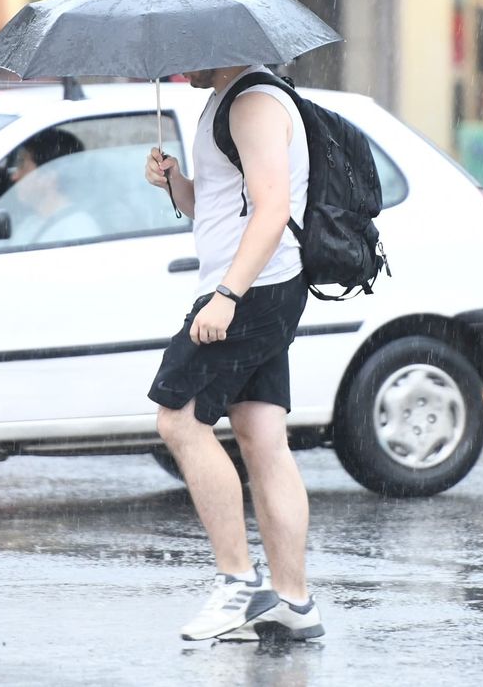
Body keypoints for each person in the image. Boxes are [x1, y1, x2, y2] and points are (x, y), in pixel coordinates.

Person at [143, 64, 323, 644]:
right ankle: (293, 602)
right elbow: (224, 209)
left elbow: (272, 210)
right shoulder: (226, 101)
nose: (178, 62)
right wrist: (175, 184)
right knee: (260, 434)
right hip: (262, 285)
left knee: (178, 419)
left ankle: (238, 585)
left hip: (253, 289)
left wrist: (225, 296)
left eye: (186, 50)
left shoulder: (254, 103)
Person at [4, 129, 100, 244]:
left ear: (49, 175)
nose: (14, 176)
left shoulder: (77, 229)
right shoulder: (31, 223)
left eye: (23, 166)